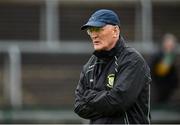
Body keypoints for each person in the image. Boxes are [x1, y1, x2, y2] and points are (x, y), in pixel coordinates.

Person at [74, 9, 152, 124]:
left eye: (98, 29)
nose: (94, 35)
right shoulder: (89, 66)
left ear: (115, 31)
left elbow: (118, 102)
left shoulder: (132, 60)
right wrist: (106, 99)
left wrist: (89, 97)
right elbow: (78, 106)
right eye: (90, 30)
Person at [149, 33, 178, 104]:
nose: (171, 45)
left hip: (169, 90)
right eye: (169, 42)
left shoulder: (171, 56)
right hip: (157, 89)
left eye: (172, 43)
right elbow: (160, 72)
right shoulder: (158, 56)